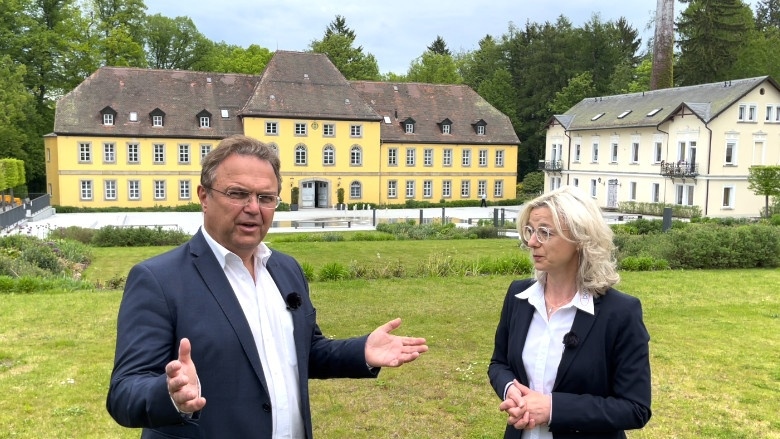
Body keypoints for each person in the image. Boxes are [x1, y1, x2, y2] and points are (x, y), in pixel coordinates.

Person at [106, 135, 428, 438]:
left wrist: (362, 352)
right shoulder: (158, 280)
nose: (253, 208)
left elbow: (306, 351)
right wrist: (170, 394)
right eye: (238, 194)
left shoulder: (285, 269)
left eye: (265, 198)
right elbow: (124, 391)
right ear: (204, 196)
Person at [488, 186, 651, 439]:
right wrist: (511, 389)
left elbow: (635, 408)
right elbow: (499, 364)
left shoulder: (620, 313)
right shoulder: (519, 297)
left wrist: (553, 408)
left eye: (545, 232)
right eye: (530, 231)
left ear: (579, 238)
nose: (532, 242)